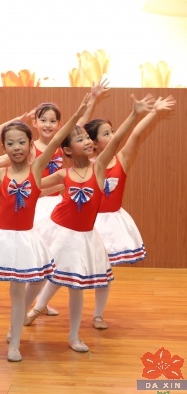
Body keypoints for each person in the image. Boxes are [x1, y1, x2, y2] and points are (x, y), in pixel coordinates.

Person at [0, 93, 91, 361]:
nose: (16, 147)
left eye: (22, 142)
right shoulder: (1, 173)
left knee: (17, 291)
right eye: (10, 143)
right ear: (4, 148)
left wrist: (79, 113)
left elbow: (59, 137)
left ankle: (15, 342)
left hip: (23, 239)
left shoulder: (37, 169)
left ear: (31, 145)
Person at [24, 94, 155, 352]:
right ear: (67, 150)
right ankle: (20, 320)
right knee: (41, 276)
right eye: (80, 139)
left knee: (77, 287)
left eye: (87, 138)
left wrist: (135, 114)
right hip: (59, 231)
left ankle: (74, 336)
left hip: (84, 235)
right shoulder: (64, 173)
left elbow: (118, 140)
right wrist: (2, 197)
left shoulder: (99, 167)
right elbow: (34, 187)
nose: (87, 142)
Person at [84, 94, 175, 329]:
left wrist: (153, 112)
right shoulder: (86, 166)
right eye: (106, 134)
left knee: (104, 269)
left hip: (111, 223)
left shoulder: (122, 159)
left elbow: (134, 134)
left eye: (112, 132)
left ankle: (98, 314)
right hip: (87, 223)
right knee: (68, 263)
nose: (113, 136)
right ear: (93, 143)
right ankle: (40, 305)